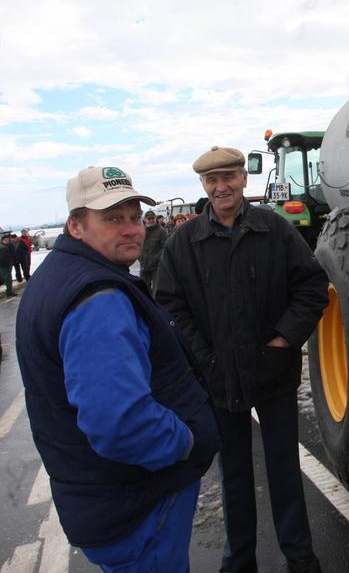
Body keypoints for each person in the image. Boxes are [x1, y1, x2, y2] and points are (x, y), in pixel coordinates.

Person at [15, 166, 220, 572]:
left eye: (134, 217)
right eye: (111, 219)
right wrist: (186, 442)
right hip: (139, 505)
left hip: (105, 499)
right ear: (76, 226)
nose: (130, 229)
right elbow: (120, 421)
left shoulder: (57, 275)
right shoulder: (98, 297)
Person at [156, 146, 329, 573]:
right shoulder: (184, 242)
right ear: (203, 186)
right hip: (218, 378)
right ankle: (239, 558)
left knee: (284, 469)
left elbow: (312, 287)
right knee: (232, 475)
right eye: (212, 180)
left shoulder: (274, 229)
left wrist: (284, 341)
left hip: (274, 374)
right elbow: (170, 306)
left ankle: (299, 554)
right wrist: (203, 358)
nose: (222, 187)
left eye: (229, 177)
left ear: (243, 180)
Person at [139, 210, 168, 293]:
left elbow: (165, 247)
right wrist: (140, 257)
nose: (151, 220)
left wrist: (157, 258)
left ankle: (156, 304)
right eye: (149, 219)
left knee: (157, 289)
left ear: (155, 219)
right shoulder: (142, 231)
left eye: (152, 218)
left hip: (156, 266)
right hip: (144, 264)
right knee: (143, 289)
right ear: (145, 220)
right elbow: (137, 244)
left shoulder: (162, 231)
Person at [0, 233, 15, 297]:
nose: (7, 241)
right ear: (2, 240)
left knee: (4, 279)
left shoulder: (6, 246)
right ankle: (9, 293)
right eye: (5, 240)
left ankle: (9, 292)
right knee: (8, 279)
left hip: (6, 265)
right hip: (4, 266)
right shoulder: (3, 247)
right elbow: (3, 258)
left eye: (8, 240)